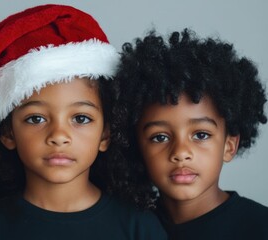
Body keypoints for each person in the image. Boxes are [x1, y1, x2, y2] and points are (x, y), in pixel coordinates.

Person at [0, 4, 167, 239]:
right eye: (36, 118)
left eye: (80, 118)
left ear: (106, 134)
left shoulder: (138, 227)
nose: (58, 135)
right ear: (8, 132)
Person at [113, 28, 268, 239]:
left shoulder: (259, 226)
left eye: (201, 135)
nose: (181, 152)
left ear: (229, 146)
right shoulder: (127, 227)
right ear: (137, 146)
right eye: (160, 137)